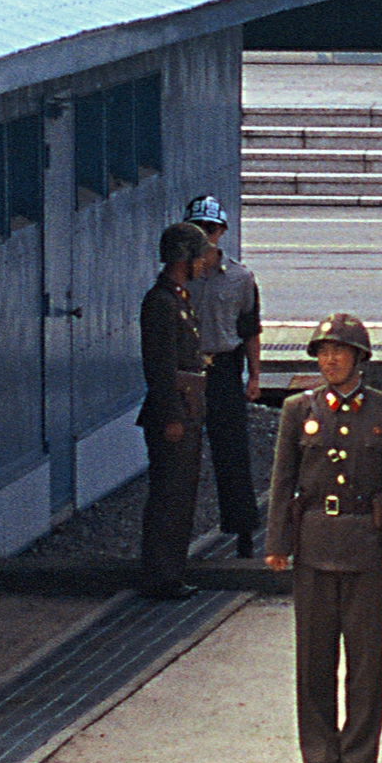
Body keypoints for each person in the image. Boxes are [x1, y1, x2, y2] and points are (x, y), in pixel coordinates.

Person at [264, 315, 382, 763]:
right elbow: (283, 481)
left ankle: (359, 752)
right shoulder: (298, 409)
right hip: (313, 540)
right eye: (323, 352)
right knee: (314, 654)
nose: (330, 360)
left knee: (366, 657)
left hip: (365, 541)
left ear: (360, 358)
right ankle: (320, 750)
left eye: (340, 352)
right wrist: (277, 543)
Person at [182, 195, 263, 559]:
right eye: (199, 229)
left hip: (225, 367)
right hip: (188, 369)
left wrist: (254, 377)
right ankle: (179, 536)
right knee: (182, 453)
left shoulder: (241, 278)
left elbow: (250, 329)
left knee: (232, 453)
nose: (206, 236)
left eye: (210, 229)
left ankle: (243, 530)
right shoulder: (180, 277)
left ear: (222, 232)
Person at [136, 221, 211, 600]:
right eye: (198, 257)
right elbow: (160, 368)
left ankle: (172, 570)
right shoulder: (162, 303)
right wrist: (172, 417)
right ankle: (161, 574)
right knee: (169, 496)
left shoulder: (177, 299)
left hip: (187, 407)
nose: (202, 264)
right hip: (175, 412)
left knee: (181, 495)